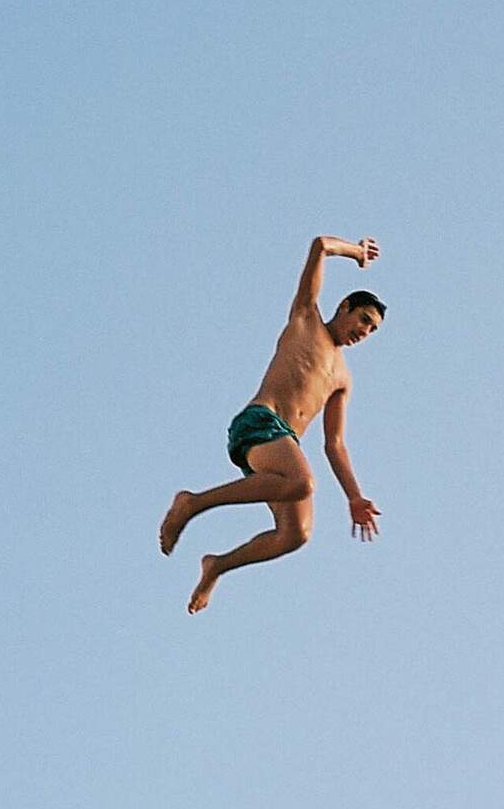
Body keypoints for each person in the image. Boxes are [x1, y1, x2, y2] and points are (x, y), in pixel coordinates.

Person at [158, 234, 386, 613]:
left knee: (296, 535)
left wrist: (354, 496)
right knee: (301, 483)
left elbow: (335, 445)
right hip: (259, 421)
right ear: (344, 307)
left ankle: (216, 566)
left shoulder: (343, 377)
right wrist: (357, 253)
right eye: (363, 319)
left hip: (282, 446)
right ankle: (191, 504)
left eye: (372, 330)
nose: (364, 331)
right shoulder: (305, 319)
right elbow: (320, 246)